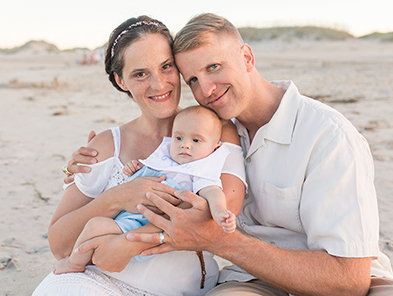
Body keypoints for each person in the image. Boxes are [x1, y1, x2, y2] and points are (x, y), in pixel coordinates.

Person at [116, 13, 393, 295]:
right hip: (252, 278)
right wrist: (92, 159)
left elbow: (350, 281)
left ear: (247, 58)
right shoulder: (209, 135)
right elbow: (151, 141)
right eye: (192, 79)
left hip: (346, 280)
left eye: (214, 66)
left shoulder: (329, 136)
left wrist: (219, 241)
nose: (205, 89)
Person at [33, 15, 246, 296]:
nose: (159, 85)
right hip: (94, 282)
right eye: (140, 73)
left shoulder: (213, 131)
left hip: (177, 288)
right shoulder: (107, 144)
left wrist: (132, 242)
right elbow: (60, 245)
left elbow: (224, 209)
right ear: (120, 80)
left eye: (166, 67)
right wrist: (117, 198)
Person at [53, 105, 239, 275]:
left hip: (143, 228)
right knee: (95, 226)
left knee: (99, 233)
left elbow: (213, 193)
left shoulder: (200, 171)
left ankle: (76, 263)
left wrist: (221, 212)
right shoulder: (165, 158)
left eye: (196, 140)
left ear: (215, 147)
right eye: (179, 138)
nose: (185, 144)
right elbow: (142, 173)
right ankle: (75, 263)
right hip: (127, 220)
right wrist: (135, 168)